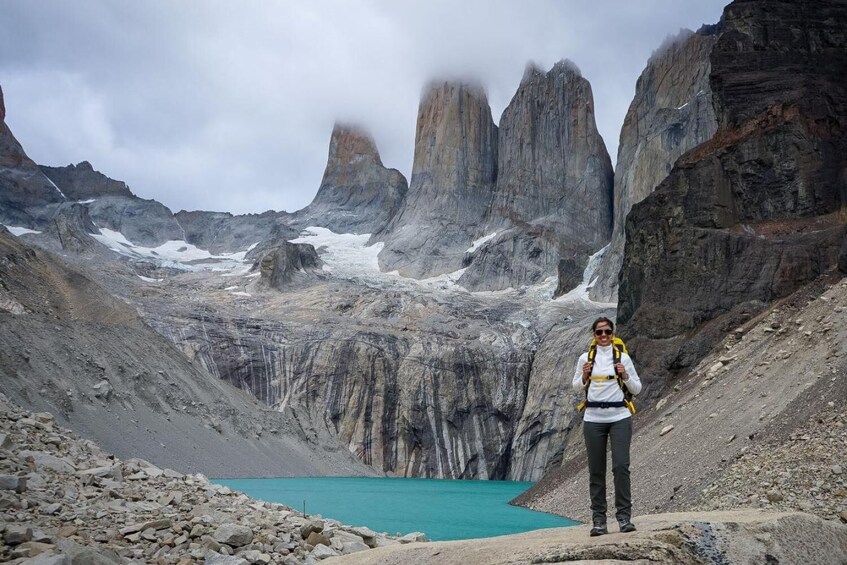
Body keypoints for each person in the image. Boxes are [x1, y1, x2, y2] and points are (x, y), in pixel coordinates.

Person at [572, 317, 642, 536]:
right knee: (596, 471)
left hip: (620, 416)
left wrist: (625, 375)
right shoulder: (585, 358)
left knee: (621, 466)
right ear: (593, 335)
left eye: (607, 332)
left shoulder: (623, 358)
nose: (603, 336)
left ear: (613, 334)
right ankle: (599, 520)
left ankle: (624, 517)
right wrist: (584, 375)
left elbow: (637, 389)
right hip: (593, 418)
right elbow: (575, 387)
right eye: (599, 332)